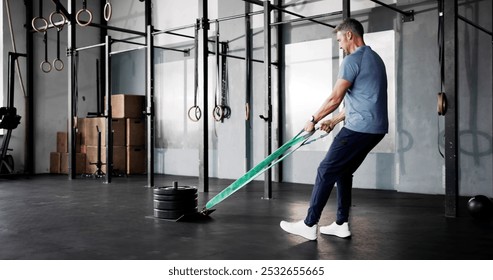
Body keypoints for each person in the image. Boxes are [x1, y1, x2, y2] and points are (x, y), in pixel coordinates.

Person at [280, 18, 388, 241]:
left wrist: (313, 118)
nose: (339, 45)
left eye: (339, 39)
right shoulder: (375, 59)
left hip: (358, 129)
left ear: (349, 35)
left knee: (325, 170)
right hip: (375, 130)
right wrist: (335, 120)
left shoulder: (352, 60)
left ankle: (309, 225)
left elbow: (335, 98)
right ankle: (341, 223)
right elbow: (364, 101)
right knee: (343, 171)